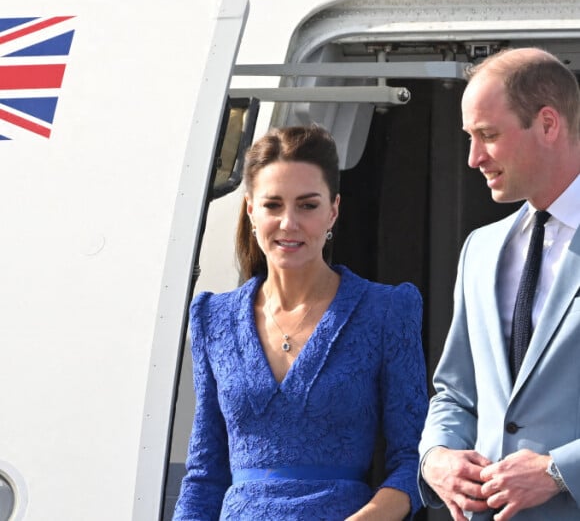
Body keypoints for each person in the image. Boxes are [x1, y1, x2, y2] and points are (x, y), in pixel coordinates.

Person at [173, 124, 428, 520]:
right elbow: (205, 475)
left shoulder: (387, 310)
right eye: (273, 205)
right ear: (251, 210)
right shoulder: (213, 318)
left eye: (307, 205)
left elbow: (414, 462)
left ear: (333, 211)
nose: (289, 222)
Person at [418, 47, 580, 520]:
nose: (473, 158)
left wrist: (558, 471)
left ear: (548, 124)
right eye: (470, 137)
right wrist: (438, 457)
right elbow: (457, 392)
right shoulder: (480, 249)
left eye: (488, 135)